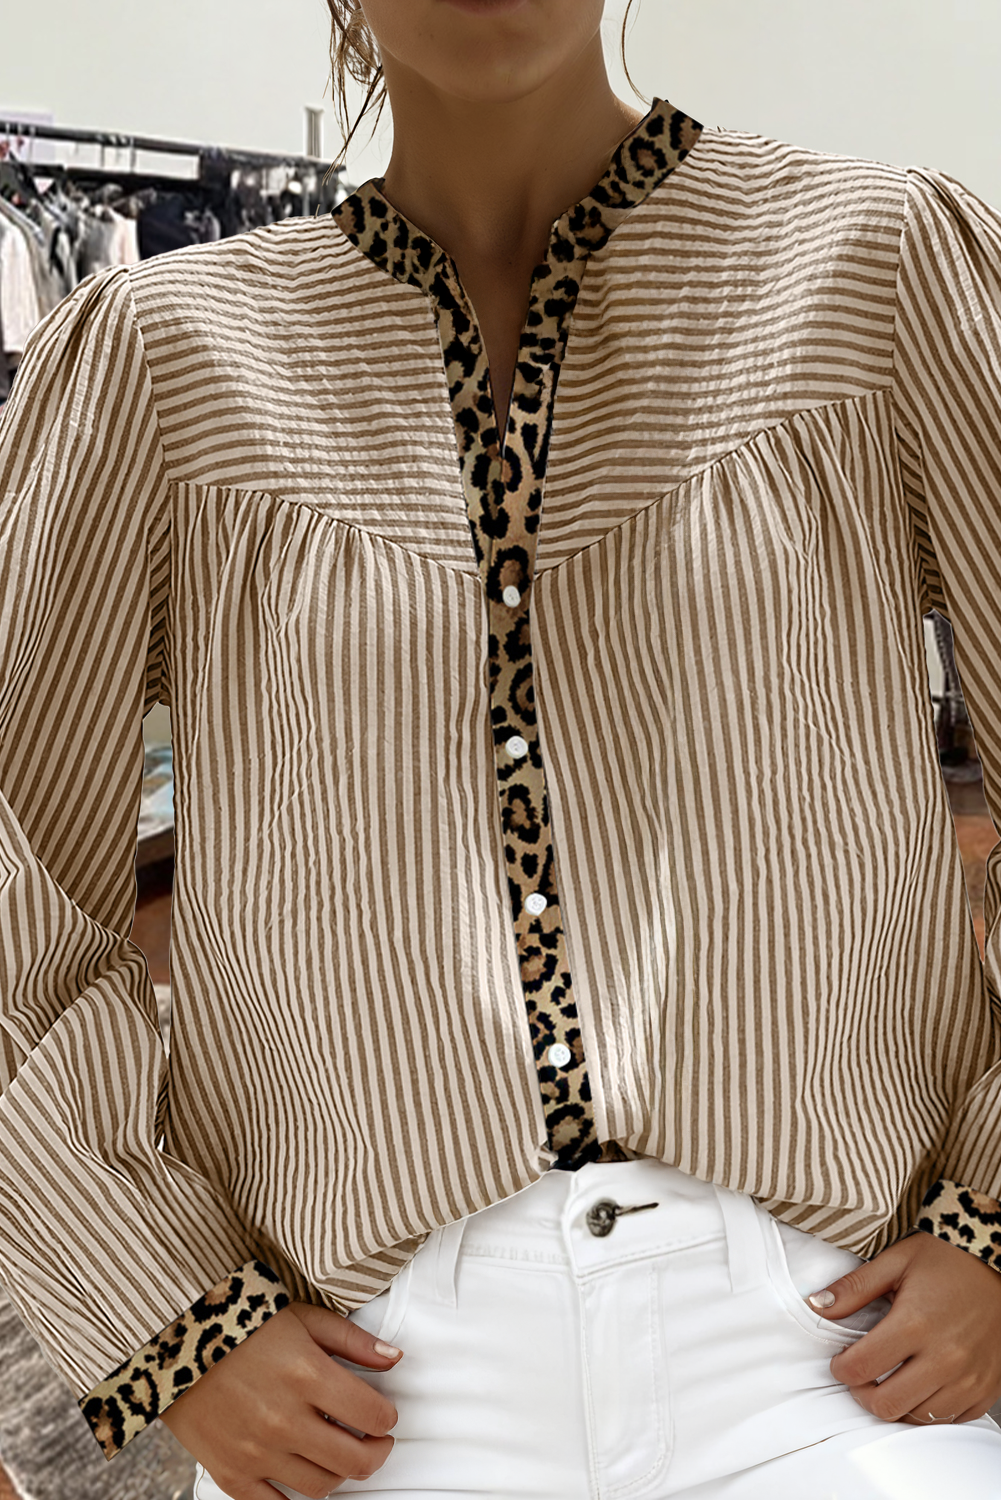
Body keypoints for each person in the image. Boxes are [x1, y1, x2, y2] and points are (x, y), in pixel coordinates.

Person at [2, 0, 1001, 1496]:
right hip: (366, 1391)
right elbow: (16, 866)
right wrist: (172, 1312)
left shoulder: (880, 270)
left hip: (835, 1349)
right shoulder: (160, 363)